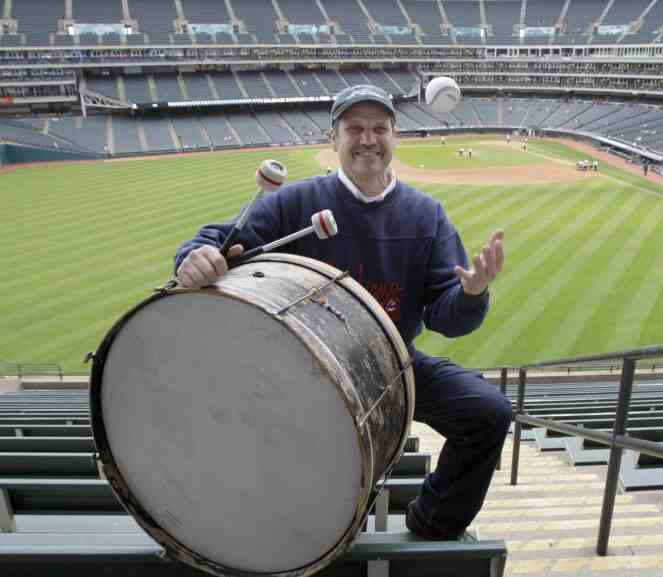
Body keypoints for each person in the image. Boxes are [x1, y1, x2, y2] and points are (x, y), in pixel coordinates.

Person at [174, 85, 512, 540]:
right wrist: (193, 256)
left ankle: (432, 523)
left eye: (379, 128)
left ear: (395, 136)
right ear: (333, 138)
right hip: (303, 365)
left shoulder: (425, 215)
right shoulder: (294, 202)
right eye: (355, 128)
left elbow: (446, 318)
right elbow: (223, 240)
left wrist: (471, 294)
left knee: (488, 413)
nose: (368, 139)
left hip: (392, 362)